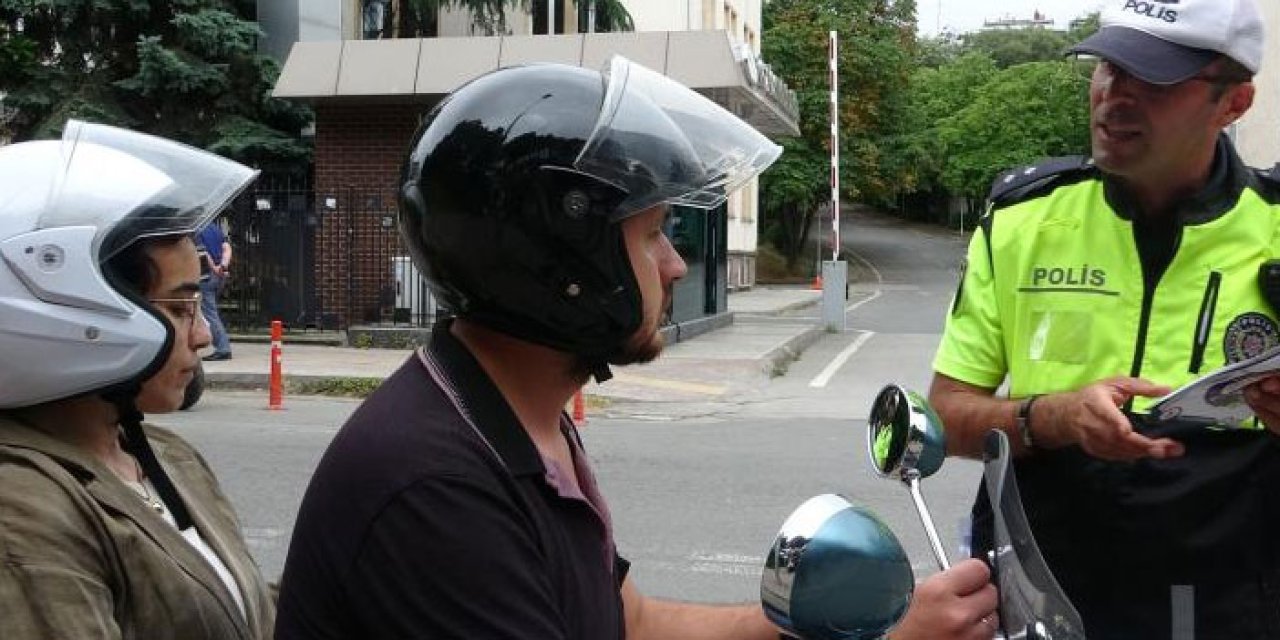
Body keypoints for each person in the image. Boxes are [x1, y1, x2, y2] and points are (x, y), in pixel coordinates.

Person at [274, 58, 997, 639]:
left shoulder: (514, 422)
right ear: (565, 263)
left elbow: (634, 621)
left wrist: (846, 631)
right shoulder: (437, 490)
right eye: (652, 234)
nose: (676, 265)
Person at [928, 0, 1280, 637]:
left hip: (1224, 607)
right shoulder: (1021, 220)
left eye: (1156, 80)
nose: (1116, 96)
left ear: (1234, 103)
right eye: (1108, 68)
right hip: (1042, 601)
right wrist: (1052, 417)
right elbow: (945, 418)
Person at [0, 120, 275, 638]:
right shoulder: (19, 510)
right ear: (68, 312)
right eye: (179, 307)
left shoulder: (166, 458)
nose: (205, 338)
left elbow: (239, 614)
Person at [197, 216, 233, 361]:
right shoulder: (214, 228)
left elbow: (203, 253)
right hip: (220, 276)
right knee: (211, 311)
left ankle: (223, 348)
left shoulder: (196, 230)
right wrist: (223, 266)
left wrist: (214, 268)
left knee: (209, 313)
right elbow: (227, 247)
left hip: (206, 276)